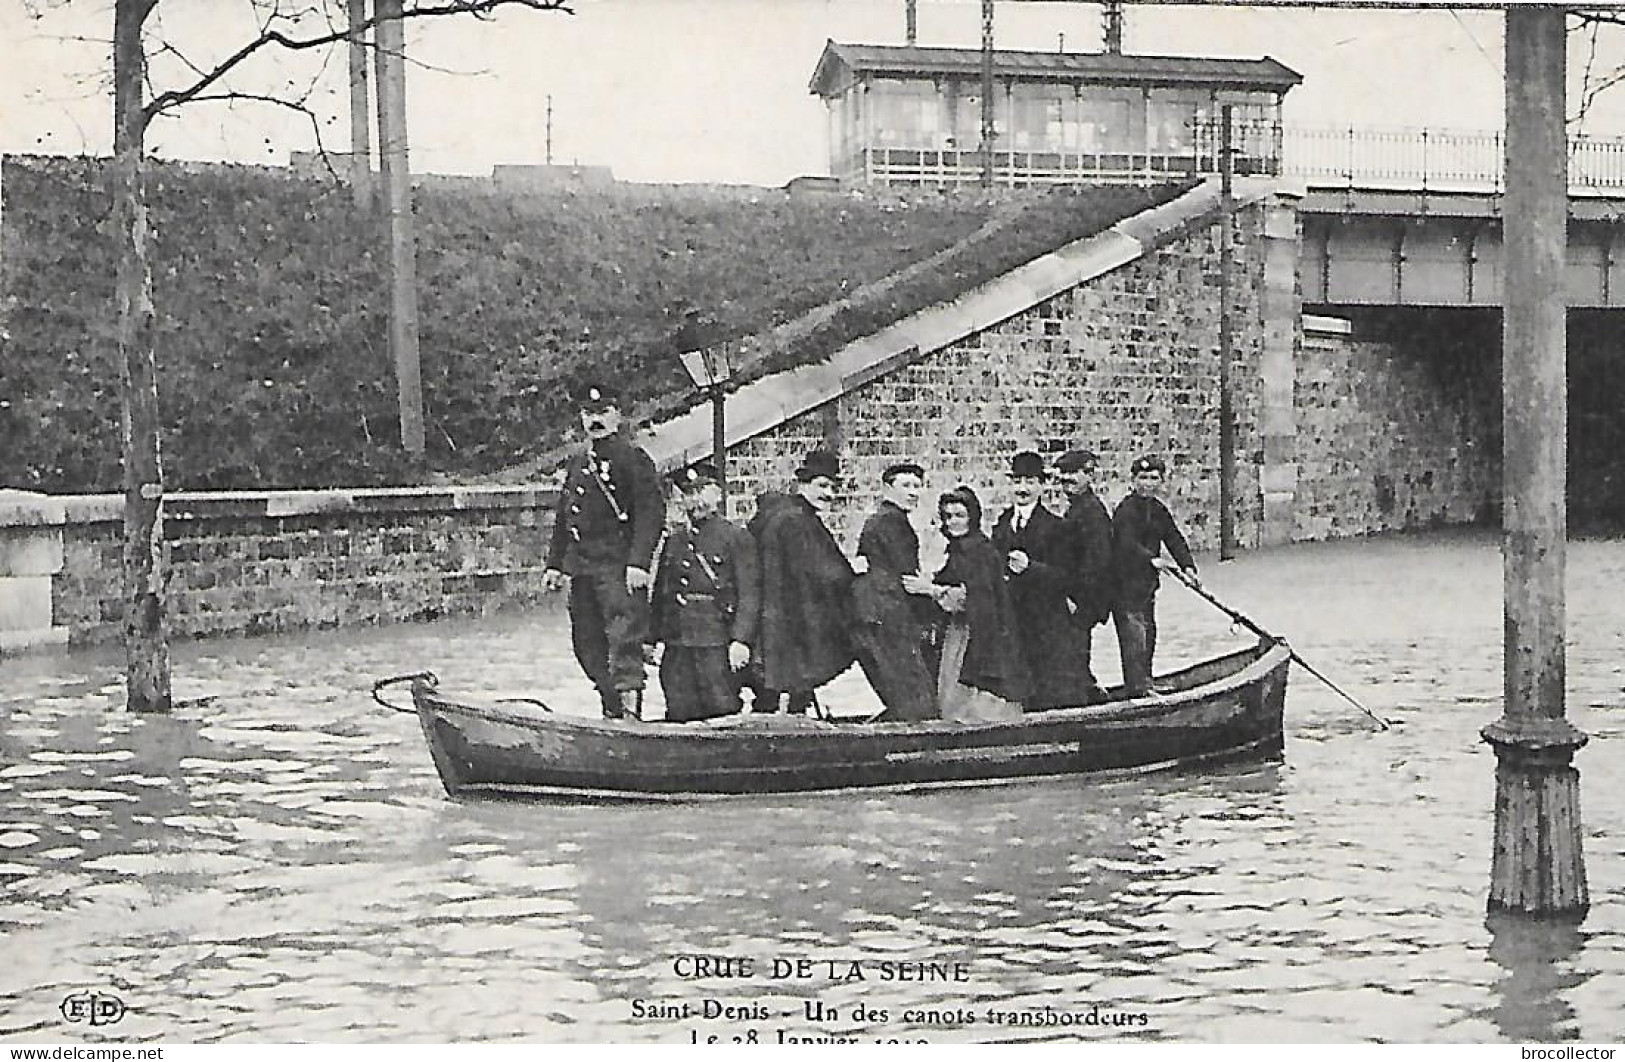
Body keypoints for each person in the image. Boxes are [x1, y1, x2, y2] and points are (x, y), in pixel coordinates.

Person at [542, 383, 664, 720]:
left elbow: (651, 513)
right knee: (587, 642)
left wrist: (638, 562)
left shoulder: (633, 459)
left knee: (624, 641)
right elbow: (565, 515)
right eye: (589, 413)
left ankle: (630, 719)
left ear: (617, 416)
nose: (595, 420)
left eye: (602, 413)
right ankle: (610, 711)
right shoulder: (580, 461)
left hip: (617, 567)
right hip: (583, 568)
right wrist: (555, 564)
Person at [750, 449, 862, 716]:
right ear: (802, 485)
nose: (829, 494)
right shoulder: (796, 520)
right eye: (822, 486)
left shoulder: (783, 514)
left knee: (775, 688)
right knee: (789, 683)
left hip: (776, 614)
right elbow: (820, 571)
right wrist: (852, 574)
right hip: (791, 617)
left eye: (833, 488)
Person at [650, 462, 760, 723]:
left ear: (718, 494)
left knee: (720, 705)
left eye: (702, 491)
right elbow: (662, 592)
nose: (695, 500)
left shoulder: (736, 537)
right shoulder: (675, 539)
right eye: (689, 493)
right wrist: (650, 637)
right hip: (677, 640)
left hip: (716, 641)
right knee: (678, 705)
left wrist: (741, 640)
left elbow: (750, 594)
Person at [991, 450, 1095, 711]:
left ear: (1041, 485)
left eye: (1029, 482)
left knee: (1049, 685)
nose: (1022, 488)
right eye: (1017, 482)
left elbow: (1069, 578)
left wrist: (1031, 568)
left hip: (1046, 622)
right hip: (1013, 621)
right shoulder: (1002, 524)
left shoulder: (1057, 528)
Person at [931, 486, 1030, 722]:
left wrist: (931, 590)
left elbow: (974, 598)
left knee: (973, 696)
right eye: (948, 516)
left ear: (972, 518)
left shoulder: (978, 550)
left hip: (977, 633)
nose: (953, 522)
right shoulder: (960, 548)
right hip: (961, 630)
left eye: (959, 516)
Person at [850, 462, 938, 722]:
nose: (913, 492)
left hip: (876, 612)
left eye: (917, 486)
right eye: (906, 485)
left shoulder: (882, 520)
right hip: (889, 613)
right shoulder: (892, 522)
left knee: (901, 691)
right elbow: (906, 575)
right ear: (888, 488)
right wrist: (929, 608)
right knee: (913, 694)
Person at [1111, 454, 1200, 696]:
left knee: (1149, 634)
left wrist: (1188, 567)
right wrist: (1151, 559)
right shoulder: (1125, 510)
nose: (1147, 484)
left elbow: (1173, 538)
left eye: (1153, 478)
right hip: (1125, 589)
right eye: (1142, 478)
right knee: (1134, 639)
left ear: (1161, 481)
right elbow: (1125, 543)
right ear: (1133, 480)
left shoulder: (1158, 509)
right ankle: (1137, 688)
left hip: (1147, 588)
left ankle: (1146, 681)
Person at [1054, 448, 1116, 704]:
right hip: (1076, 596)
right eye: (1063, 476)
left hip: (1083, 598)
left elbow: (1096, 563)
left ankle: (1085, 700)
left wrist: (1077, 599)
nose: (1067, 482)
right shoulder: (1077, 508)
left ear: (1089, 476)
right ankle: (1086, 692)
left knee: (1075, 652)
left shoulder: (1092, 512)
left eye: (1073, 475)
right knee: (1072, 653)